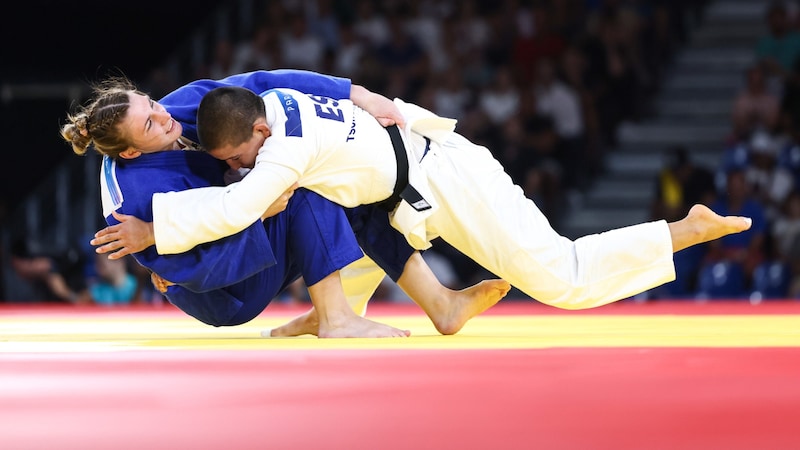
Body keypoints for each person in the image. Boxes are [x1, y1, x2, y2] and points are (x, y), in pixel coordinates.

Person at [93, 84, 753, 311]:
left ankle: (680, 230)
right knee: (345, 215)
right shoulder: (281, 104)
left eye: (239, 158)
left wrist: (154, 233)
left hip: (449, 181)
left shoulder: (281, 151)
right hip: (408, 178)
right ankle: (361, 313)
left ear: (257, 133)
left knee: (562, 278)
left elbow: (236, 210)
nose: (242, 168)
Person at [64, 72, 509, 337]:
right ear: (129, 153)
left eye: (153, 103)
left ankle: (440, 305)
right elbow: (199, 271)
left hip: (243, 227)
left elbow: (260, 86)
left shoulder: (170, 109)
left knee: (352, 187)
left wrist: (355, 93)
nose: (166, 116)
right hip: (227, 292)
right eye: (150, 123)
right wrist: (259, 213)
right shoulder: (133, 206)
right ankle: (335, 317)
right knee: (310, 186)